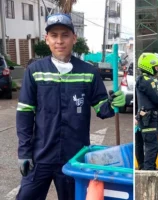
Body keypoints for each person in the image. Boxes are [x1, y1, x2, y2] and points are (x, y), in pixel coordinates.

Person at [16, 13, 125, 199]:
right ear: (47, 39)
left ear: (74, 38)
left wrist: (114, 103)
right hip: (40, 155)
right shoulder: (35, 71)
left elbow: (102, 110)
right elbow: (25, 113)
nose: (60, 41)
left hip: (74, 158)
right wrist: (24, 152)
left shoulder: (88, 72)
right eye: (54, 35)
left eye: (65, 35)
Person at [135, 52, 158, 170]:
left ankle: (142, 167)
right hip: (150, 118)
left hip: (142, 117)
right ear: (149, 66)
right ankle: (149, 170)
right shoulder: (150, 81)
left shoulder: (139, 79)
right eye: (156, 66)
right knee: (152, 146)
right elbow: (156, 98)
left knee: (140, 144)